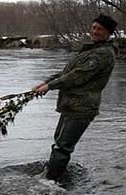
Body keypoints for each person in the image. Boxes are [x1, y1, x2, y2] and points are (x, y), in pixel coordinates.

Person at [33, 14, 118, 184]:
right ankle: (54, 176)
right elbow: (67, 72)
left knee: (63, 146)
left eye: (100, 29)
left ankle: (51, 183)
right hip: (71, 104)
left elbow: (76, 76)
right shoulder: (90, 49)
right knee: (59, 142)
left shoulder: (103, 54)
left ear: (108, 33)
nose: (95, 31)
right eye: (93, 27)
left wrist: (50, 87)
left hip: (82, 107)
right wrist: (45, 81)